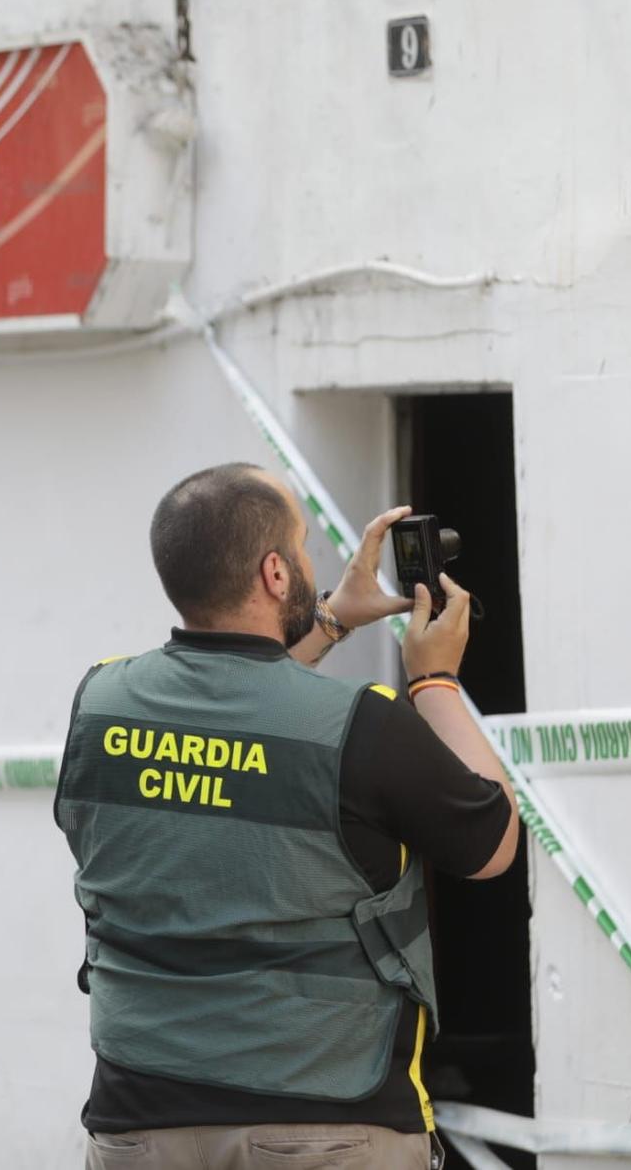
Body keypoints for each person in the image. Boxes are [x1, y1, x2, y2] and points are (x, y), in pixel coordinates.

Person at [54, 462, 522, 1170]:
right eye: (303, 547)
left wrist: (332, 617)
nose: (310, 564)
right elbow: (490, 842)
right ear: (275, 573)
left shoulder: (101, 700)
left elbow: (235, 705)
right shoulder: (362, 721)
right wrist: (435, 677)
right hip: (326, 1117)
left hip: (137, 1119)